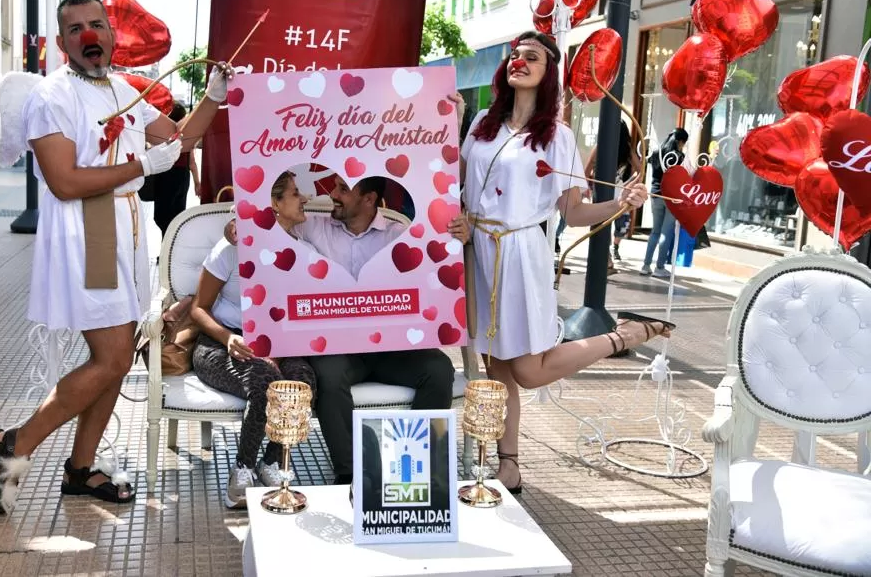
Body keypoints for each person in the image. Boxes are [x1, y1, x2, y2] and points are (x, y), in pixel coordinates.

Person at [0, 0, 233, 515]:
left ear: (113, 33)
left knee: (116, 362)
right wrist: (144, 165)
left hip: (123, 226)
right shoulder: (52, 96)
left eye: (96, 24)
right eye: (76, 29)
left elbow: (181, 140)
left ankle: (80, 468)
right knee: (114, 357)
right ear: (62, 41)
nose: (89, 36)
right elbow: (66, 181)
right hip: (86, 227)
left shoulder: (125, 88)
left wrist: (213, 96)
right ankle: (12, 446)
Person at [454, 31, 674, 493]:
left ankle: (621, 336)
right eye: (515, 55)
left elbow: (573, 214)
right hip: (476, 252)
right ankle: (507, 463)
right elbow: (456, 186)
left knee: (529, 370)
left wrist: (621, 205)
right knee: (496, 369)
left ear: (547, 70)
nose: (519, 61)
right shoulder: (480, 126)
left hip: (521, 256)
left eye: (531, 57)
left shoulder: (557, 137)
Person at [225, 174, 463, 486]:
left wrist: (461, 234)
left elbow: (435, 261)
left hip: (392, 347)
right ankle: (351, 474)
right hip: (340, 348)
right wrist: (231, 228)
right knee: (328, 375)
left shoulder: (398, 235)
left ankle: (414, 468)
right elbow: (266, 217)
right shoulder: (315, 225)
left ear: (369, 199)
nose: (333, 194)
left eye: (343, 189)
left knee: (439, 368)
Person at [190, 171, 318, 508]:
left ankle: (271, 462)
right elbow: (199, 309)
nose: (304, 198)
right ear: (274, 203)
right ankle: (242, 472)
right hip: (220, 344)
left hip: (276, 345)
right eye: (295, 193)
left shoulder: (301, 251)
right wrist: (228, 337)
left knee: (303, 380)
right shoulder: (231, 249)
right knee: (264, 379)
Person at [584, 120, 642, 273]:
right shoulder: (627, 149)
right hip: (618, 191)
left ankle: (605, 260)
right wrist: (630, 183)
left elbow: (586, 170)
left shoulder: (600, 146)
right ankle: (606, 259)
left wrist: (589, 184)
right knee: (607, 224)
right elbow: (640, 170)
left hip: (600, 191)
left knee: (599, 225)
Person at [640, 128, 688, 278]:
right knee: (666, 233)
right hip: (670, 198)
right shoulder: (680, 157)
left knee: (655, 231)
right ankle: (659, 267)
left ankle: (645, 265)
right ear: (680, 142)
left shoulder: (656, 153)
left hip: (655, 195)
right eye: (683, 144)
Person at [151, 102, 201, 238]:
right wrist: (197, 183)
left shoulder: (161, 135)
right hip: (181, 177)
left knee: (163, 215)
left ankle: (164, 247)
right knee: (177, 215)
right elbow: (192, 163)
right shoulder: (186, 136)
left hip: (165, 175)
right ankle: (172, 249)